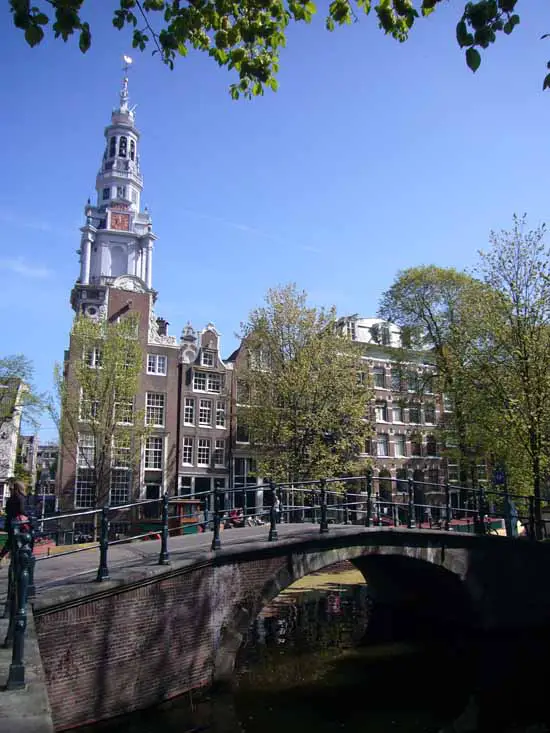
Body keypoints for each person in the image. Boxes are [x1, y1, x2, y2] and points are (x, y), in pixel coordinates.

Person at [0, 480, 27, 564]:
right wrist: (27, 516)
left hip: (9, 523)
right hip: (18, 524)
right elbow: (22, 510)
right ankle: (16, 561)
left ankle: (3, 557)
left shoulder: (10, 498)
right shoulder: (21, 497)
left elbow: (7, 510)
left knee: (10, 541)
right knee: (20, 540)